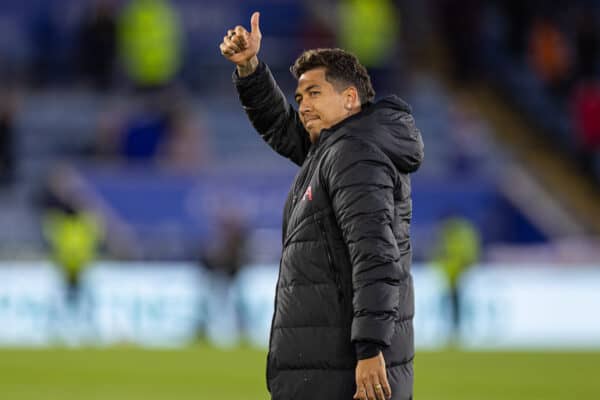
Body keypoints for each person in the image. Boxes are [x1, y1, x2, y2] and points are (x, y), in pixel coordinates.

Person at [220, 12, 424, 400]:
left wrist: (369, 349)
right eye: (299, 97)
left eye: (314, 93)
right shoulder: (338, 149)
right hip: (327, 367)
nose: (303, 106)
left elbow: (376, 255)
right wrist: (249, 68)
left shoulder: (353, 154)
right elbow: (282, 128)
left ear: (350, 98)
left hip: (341, 373)